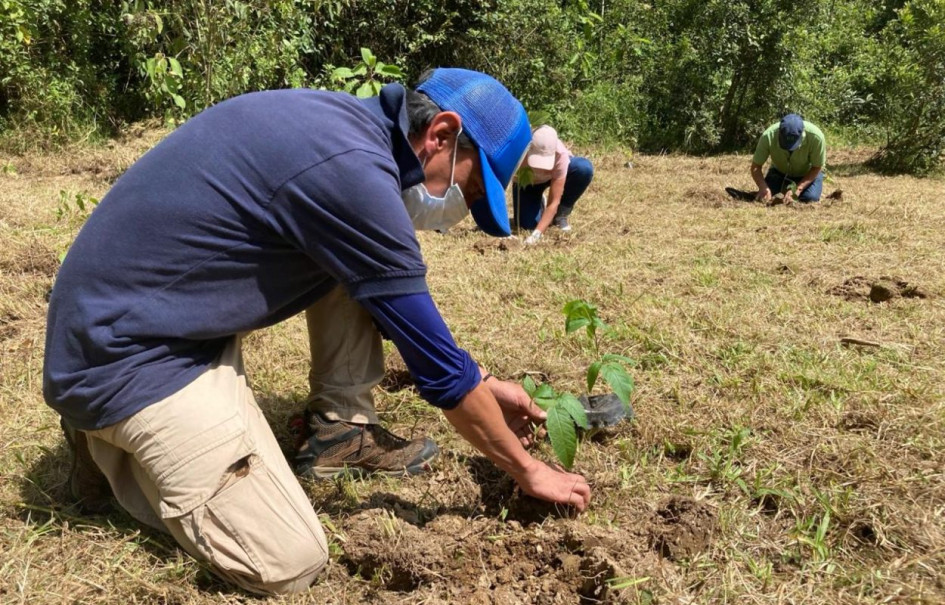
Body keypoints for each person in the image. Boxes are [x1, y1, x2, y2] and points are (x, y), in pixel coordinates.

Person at [42, 68, 591, 596]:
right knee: (290, 559)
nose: (465, 211)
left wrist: (485, 380)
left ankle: (338, 432)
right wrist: (526, 470)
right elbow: (440, 374)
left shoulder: (344, 129)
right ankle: (117, 455)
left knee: (360, 270)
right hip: (127, 357)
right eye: (472, 192)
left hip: (152, 316)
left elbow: (404, 315)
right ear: (441, 134)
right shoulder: (353, 175)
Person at [512, 125, 593, 244]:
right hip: (528, 183)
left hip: (553, 178)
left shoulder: (561, 155)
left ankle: (560, 215)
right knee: (526, 226)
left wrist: (536, 235)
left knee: (583, 168)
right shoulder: (518, 152)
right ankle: (539, 203)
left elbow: (554, 202)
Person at [751, 113, 827, 203]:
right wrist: (763, 187)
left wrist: (797, 189)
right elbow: (755, 166)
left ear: (802, 132)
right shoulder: (768, 136)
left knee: (810, 198)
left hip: (808, 173)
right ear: (779, 132)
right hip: (779, 172)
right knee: (769, 195)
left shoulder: (816, 137)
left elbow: (817, 167)